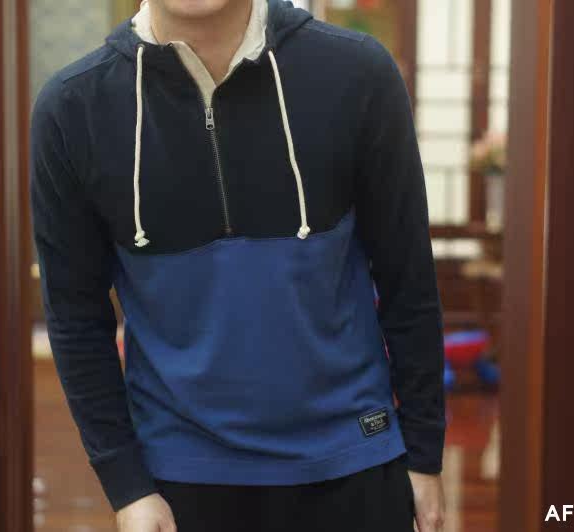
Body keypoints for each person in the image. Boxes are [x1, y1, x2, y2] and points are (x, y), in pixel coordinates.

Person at [29, 0, 446, 530]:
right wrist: (127, 486)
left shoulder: (358, 74)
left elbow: (408, 278)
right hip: (178, 477)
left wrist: (425, 453)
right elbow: (76, 320)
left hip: (355, 459)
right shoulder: (73, 107)